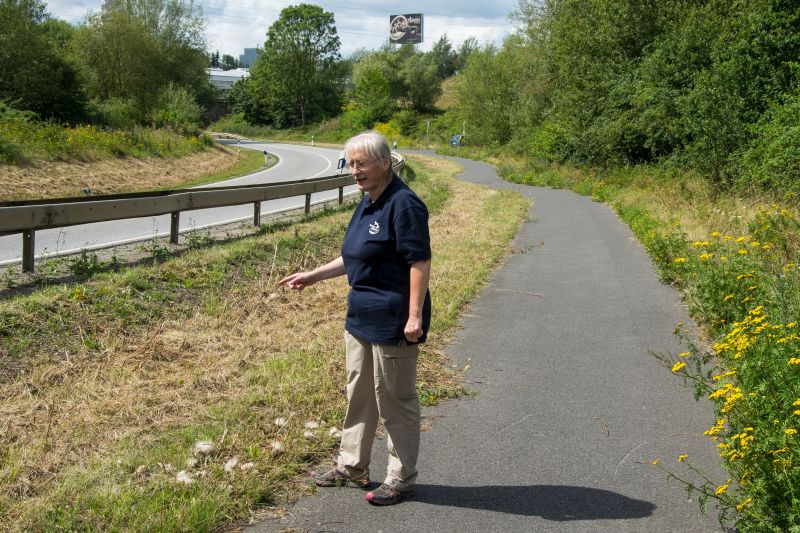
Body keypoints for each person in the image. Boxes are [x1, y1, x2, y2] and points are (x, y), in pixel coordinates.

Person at [279, 131, 431, 506]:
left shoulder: (404, 205)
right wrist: (312, 275)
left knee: (395, 399)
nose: (355, 170)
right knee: (359, 394)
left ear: (385, 163)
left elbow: (419, 262)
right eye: (350, 163)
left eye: (362, 163)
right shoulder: (368, 201)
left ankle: (401, 477)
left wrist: (414, 316)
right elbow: (356, 256)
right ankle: (352, 465)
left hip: (393, 320)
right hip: (360, 316)